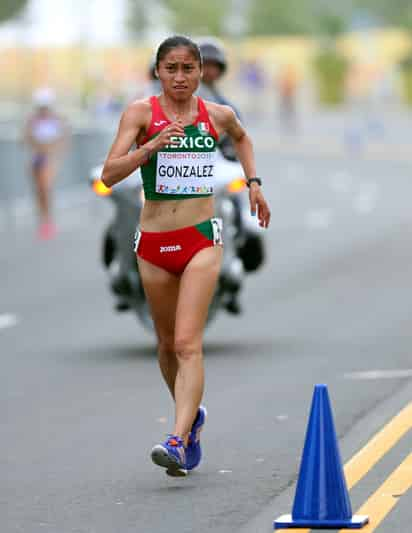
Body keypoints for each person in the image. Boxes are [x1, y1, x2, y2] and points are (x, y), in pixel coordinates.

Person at [101, 35, 270, 477]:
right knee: (164, 345)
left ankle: (175, 441)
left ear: (200, 72)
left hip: (200, 238)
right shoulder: (140, 114)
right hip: (153, 243)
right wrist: (150, 147)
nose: (180, 77)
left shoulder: (218, 114)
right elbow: (108, 173)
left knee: (186, 343)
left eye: (188, 69)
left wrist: (254, 183)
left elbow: (244, 137)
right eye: (171, 68)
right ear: (158, 71)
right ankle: (191, 419)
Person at [24, 88, 68, 240]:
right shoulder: (32, 120)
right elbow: (26, 138)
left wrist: (52, 151)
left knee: (45, 188)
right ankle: (44, 220)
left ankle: (48, 221)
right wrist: (39, 146)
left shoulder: (56, 120)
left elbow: (63, 140)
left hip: (50, 159)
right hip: (36, 158)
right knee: (39, 191)